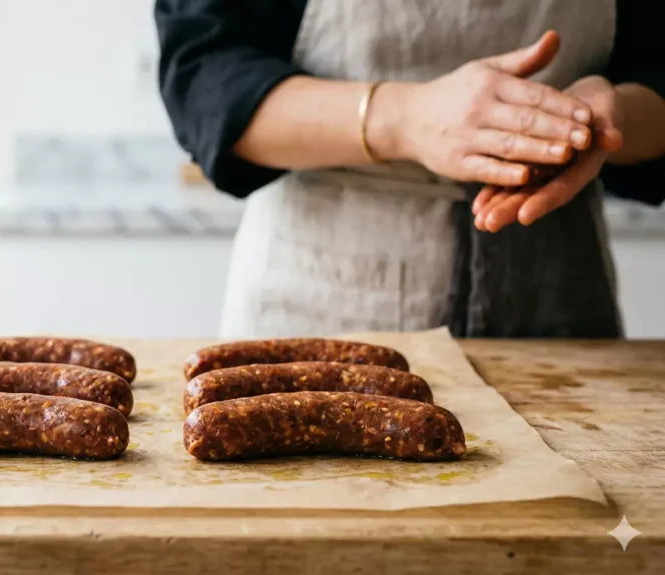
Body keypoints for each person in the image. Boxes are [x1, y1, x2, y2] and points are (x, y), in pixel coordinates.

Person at [155, 0, 665, 338]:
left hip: (560, 299)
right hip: (319, 296)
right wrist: (404, 119)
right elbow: (203, 76)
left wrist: (610, 119)